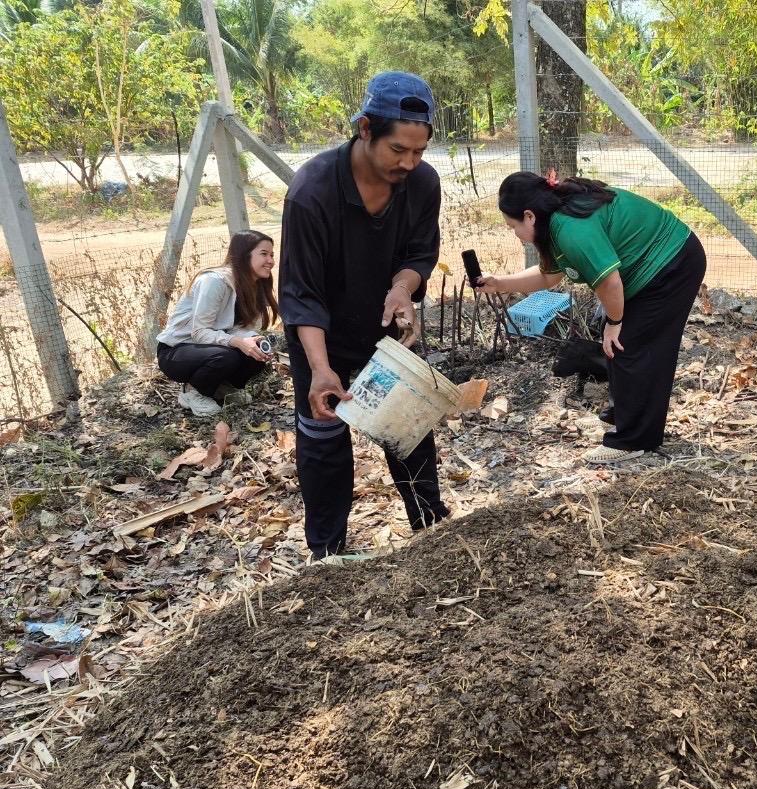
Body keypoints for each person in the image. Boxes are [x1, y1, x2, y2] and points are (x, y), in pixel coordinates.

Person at [279, 71, 447, 559]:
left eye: (419, 152)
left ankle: (433, 533)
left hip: (384, 327)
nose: (409, 163)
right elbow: (301, 292)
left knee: (408, 426)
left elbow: (419, 255)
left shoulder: (422, 184)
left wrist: (402, 289)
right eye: (399, 150)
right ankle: (327, 554)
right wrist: (320, 369)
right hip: (320, 335)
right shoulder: (312, 191)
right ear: (366, 129)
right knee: (324, 435)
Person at [478, 172, 705, 464]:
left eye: (513, 226)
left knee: (630, 344)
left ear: (529, 216)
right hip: (652, 263)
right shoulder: (554, 221)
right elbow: (549, 276)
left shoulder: (571, 229)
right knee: (618, 340)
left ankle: (633, 440)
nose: (515, 234)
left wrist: (615, 323)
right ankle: (623, 416)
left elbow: (610, 283)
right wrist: (501, 283)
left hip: (672, 261)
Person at [156, 230, 275, 417]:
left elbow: (241, 330)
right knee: (227, 356)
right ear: (244, 255)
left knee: (257, 351)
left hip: (211, 347)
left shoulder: (254, 285)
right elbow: (200, 333)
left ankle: (223, 388)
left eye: (271, 255)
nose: (271, 261)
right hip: (177, 350)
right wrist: (238, 342)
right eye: (264, 254)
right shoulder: (214, 281)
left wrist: (252, 340)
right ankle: (193, 392)